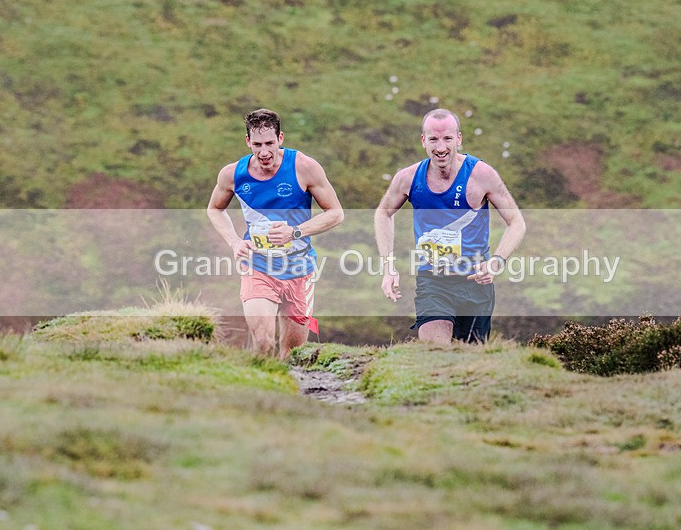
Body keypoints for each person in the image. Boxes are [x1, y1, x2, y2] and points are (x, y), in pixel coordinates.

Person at [375, 108, 526, 344]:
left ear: (459, 139)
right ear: (424, 141)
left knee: (470, 364)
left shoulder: (481, 175)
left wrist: (496, 261)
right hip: (433, 281)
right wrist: (388, 266)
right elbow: (383, 213)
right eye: (434, 139)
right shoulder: (408, 178)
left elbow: (516, 222)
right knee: (436, 351)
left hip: (476, 282)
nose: (441, 147)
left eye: (447, 138)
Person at [208, 108, 344, 360]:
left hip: (299, 269)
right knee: (263, 341)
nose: (264, 152)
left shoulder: (303, 167)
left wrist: (294, 232)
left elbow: (336, 213)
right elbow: (215, 209)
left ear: (280, 138)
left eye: (270, 143)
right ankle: (255, 393)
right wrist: (235, 242)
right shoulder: (233, 174)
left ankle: (283, 393)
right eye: (257, 144)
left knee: (292, 353)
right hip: (258, 266)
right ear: (247, 141)